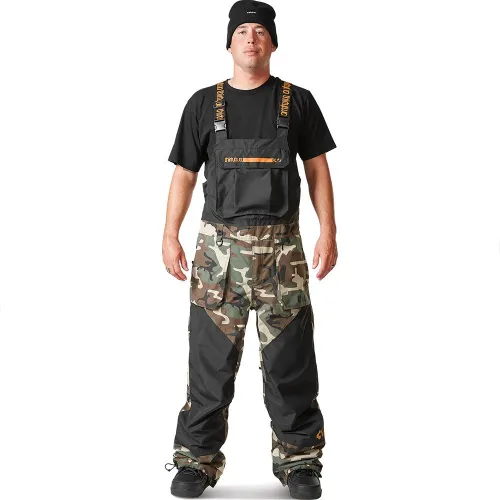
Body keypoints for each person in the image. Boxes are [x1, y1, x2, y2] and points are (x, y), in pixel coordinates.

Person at [162, 1, 338, 497]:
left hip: (284, 257)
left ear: (273, 43)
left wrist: (328, 231)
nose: (251, 38)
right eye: (242, 30)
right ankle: (195, 462)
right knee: (209, 364)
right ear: (229, 42)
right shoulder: (203, 104)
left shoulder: (298, 101)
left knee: (291, 364)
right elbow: (184, 173)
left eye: (260, 30)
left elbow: (317, 169)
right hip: (217, 259)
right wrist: (169, 234)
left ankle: (300, 463)